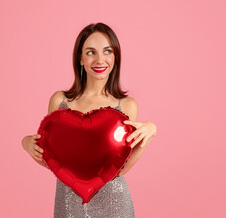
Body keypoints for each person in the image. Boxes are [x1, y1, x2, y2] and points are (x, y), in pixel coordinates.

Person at [21, 22, 157, 217]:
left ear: (115, 56)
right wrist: (26, 143)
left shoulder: (126, 106)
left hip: (114, 205)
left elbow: (120, 168)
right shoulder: (60, 102)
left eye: (107, 51)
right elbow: (52, 158)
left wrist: (149, 133)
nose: (100, 60)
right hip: (68, 204)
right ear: (80, 58)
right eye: (91, 52)